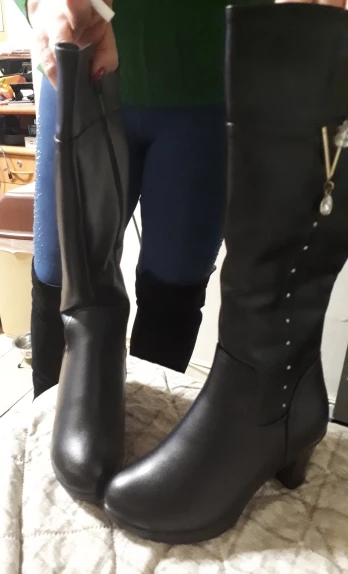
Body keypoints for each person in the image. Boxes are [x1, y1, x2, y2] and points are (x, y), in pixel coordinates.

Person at [14, 0, 229, 398]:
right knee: (59, 278)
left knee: (174, 292)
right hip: (80, 65)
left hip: (209, 85)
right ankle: (49, 423)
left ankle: (149, 423)